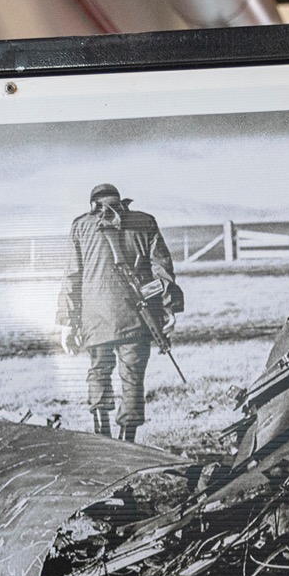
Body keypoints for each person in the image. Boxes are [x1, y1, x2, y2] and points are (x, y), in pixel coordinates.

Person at [56, 183, 181, 443]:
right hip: (139, 317)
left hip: (94, 319)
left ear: (93, 204)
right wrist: (169, 309)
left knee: (99, 372)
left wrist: (67, 323)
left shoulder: (80, 226)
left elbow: (71, 278)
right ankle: (127, 442)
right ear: (121, 201)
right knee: (133, 379)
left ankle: (102, 439)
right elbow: (163, 270)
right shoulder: (145, 222)